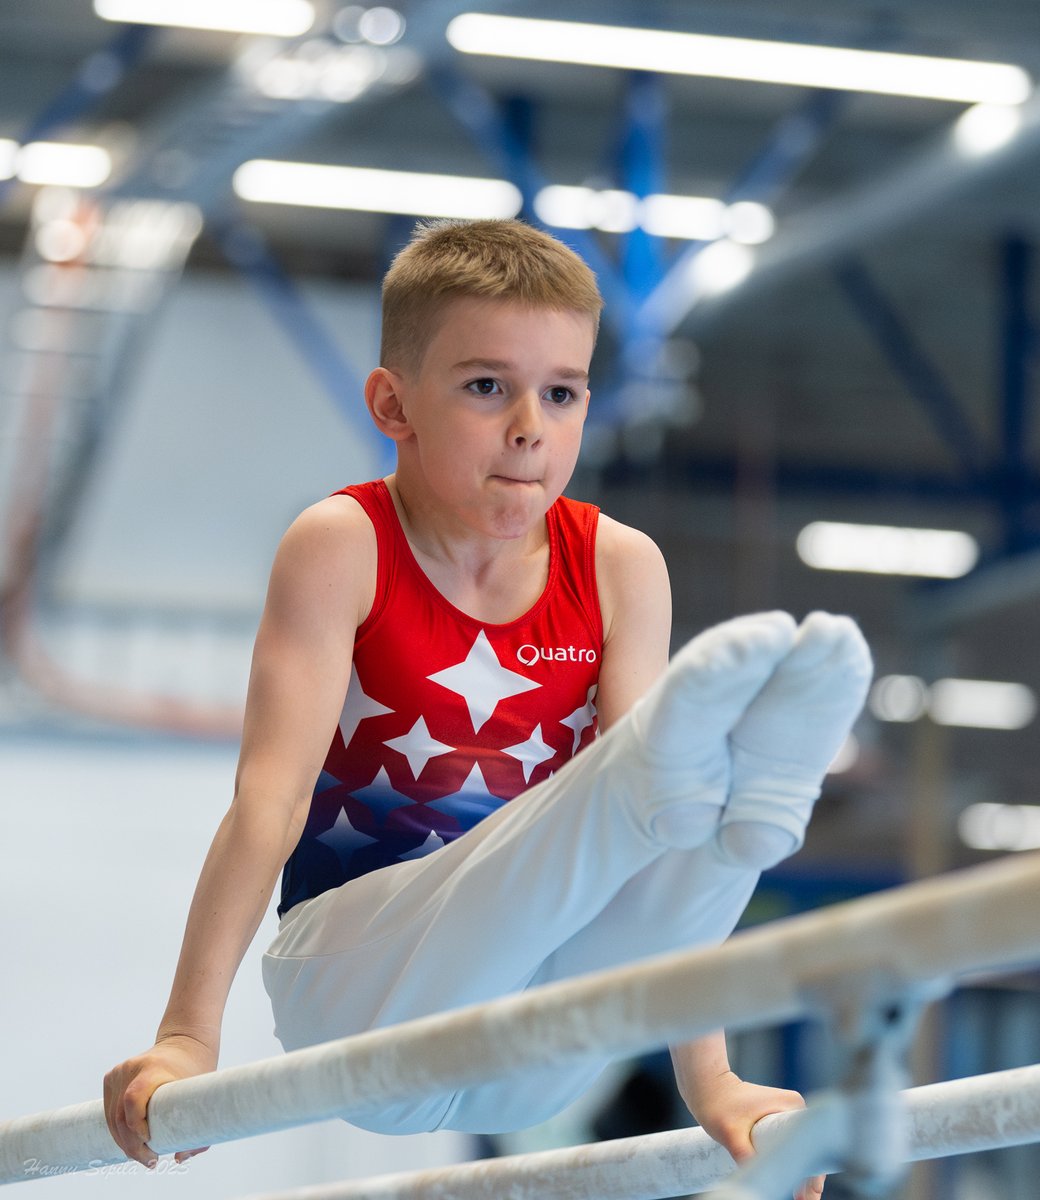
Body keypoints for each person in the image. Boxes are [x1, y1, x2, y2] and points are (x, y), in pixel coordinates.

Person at [103, 219, 871, 1200]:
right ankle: (698, 776)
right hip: (358, 1000)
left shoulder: (620, 565)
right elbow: (270, 802)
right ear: (394, 402)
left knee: (659, 836)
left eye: (561, 393)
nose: (528, 427)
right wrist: (185, 1039)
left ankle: (740, 824)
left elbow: (637, 871)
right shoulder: (344, 543)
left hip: (530, 1050)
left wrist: (713, 1085)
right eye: (485, 386)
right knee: (616, 794)